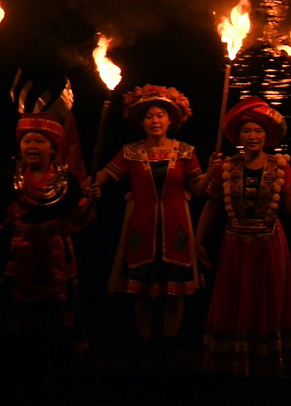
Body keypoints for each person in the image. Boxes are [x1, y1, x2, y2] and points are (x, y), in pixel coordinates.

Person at [93, 85, 207, 362]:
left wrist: (213, 173)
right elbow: (104, 176)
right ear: (141, 121)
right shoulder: (130, 152)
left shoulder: (185, 152)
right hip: (141, 227)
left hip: (176, 226)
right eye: (149, 116)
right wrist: (90, 186)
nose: (155, 121)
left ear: (171, 120)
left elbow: (200, 189)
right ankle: (145, 342)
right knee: (141, 291)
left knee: (174, 291)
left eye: (161, 115)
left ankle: (169, 342)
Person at [196, 98, 291, 376]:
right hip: (235, 245)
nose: (253, 136)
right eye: (247, 131)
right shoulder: (227, 167)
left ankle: (268, 361)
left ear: (267, 136)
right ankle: (235, 362)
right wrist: (196, 243)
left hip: (270, 244)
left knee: (267, 300)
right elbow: (211, 205)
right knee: (235, 300)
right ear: (239, 136)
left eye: (258, 131)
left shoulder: (281, 166)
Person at [3, 114, 95, 372]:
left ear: (53, 147)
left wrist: (92, 200)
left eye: (39, 141)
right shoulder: (8, 178)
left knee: (57, 328)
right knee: (20, 331)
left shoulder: (67, 181)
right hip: (17, 259)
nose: (31, 145)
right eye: (27, 140)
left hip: (57, 257)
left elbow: (78, 219)